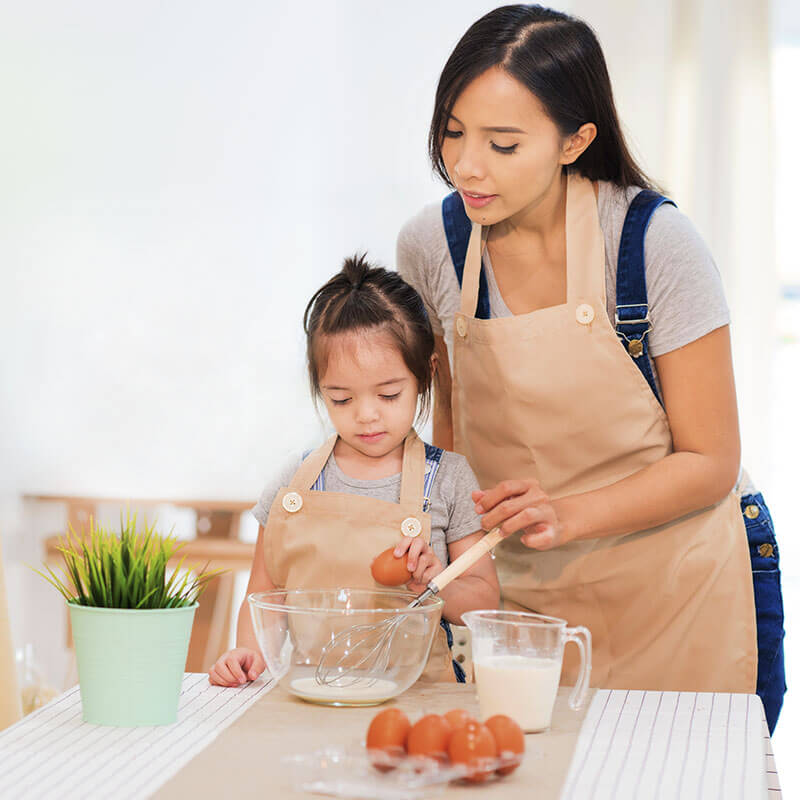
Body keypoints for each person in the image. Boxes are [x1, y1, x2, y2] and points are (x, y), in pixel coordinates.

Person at [397, 4, 784, 731]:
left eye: (503, 145)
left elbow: (711, 458)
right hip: (520, 598)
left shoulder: (651, 243)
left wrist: (566, 513)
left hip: (679, 590)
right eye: (453, 132)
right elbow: (452, 429)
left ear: (576, 140)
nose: (466, 165)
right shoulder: (432, 245)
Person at [208, 255, 499, 688]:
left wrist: (434, 580)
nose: (366, 416)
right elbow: (266, 596)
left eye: (388, 394)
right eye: (341, 399)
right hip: (314, 694)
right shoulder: (295, 482)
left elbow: (484, 603)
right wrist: (247, 654)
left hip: (419, 701)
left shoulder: (448, 479)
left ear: (425, 374)